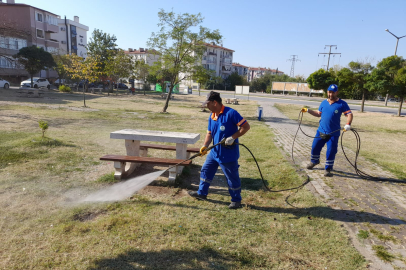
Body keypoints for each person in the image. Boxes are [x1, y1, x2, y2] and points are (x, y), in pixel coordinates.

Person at [189, 91, 250, 209]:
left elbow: (246, 126)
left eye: (208, 103)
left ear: (215, 102)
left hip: (228, 154)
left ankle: (236, 200)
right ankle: (202, 193)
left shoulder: (231, 113)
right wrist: (205, 146)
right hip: (214, 153)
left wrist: (233, 137)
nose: (206, 106)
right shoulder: (211, 116)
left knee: (231, 177)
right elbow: (209, 133)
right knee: (205, 170)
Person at [301, 84, 353, 177]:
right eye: (329, 92)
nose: (330, 94)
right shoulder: (324, 103)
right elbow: (318, 113)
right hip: (321, 130)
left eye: (333, 92)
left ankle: (328, 169)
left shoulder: (342, 104)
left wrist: (348, 124)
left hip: (333, 133)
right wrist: (308, 110)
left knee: (331, 151)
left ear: (337, 92)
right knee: (315, 147)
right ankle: (314, 162)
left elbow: (349, 114)